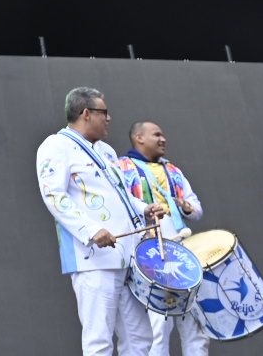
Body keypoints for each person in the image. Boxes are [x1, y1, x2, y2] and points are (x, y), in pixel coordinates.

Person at [37, 87, 168, 356]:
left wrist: (145, 209)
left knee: (140, 336)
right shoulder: (55, 146)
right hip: (93, 258)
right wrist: (92, 230)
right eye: (103, 113)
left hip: (128, 257)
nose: (109, 118)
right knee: (99, 339)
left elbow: (121, 195)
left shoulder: (106, 151)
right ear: (86, 114)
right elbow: (54, 195)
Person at [115, 121, 207, 356]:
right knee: (159, 325)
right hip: (152, 252)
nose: (163, 139)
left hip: (183, 249)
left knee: (195, 324)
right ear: (139, 138)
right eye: (157, 134)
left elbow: (197, 209)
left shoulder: (173, 170)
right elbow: (121, 207)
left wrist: (186, 206)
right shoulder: (122, 168)